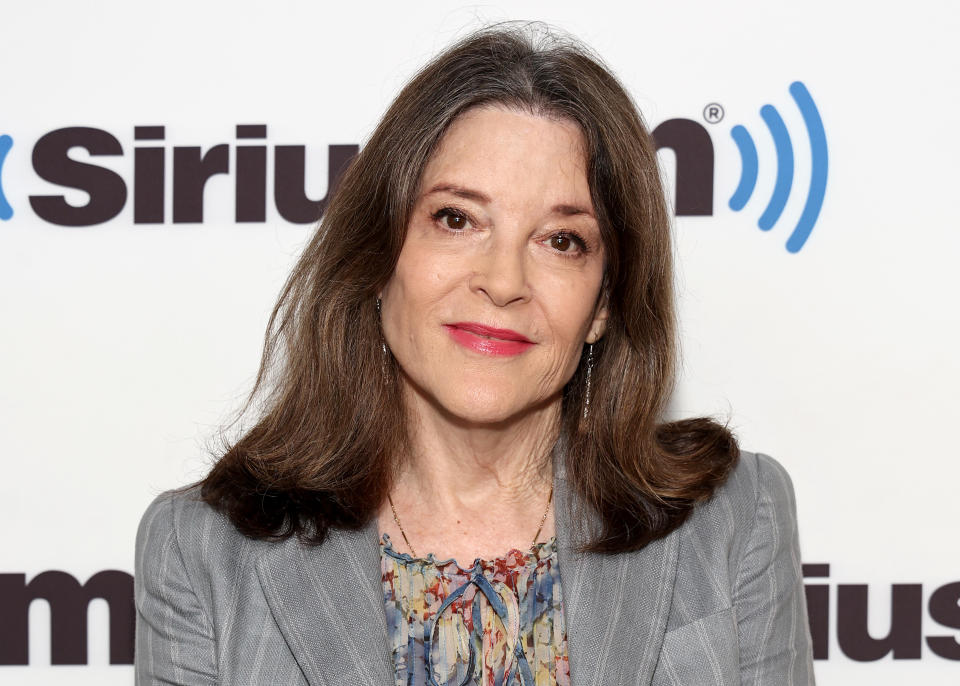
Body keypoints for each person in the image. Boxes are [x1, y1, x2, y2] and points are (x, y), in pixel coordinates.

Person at [134, 22, 815, 686]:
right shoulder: (203, 552)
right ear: (379, 259)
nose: (503, 282)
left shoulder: (733, 519)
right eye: (457, 220)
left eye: (562, 240)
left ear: (604, 302)